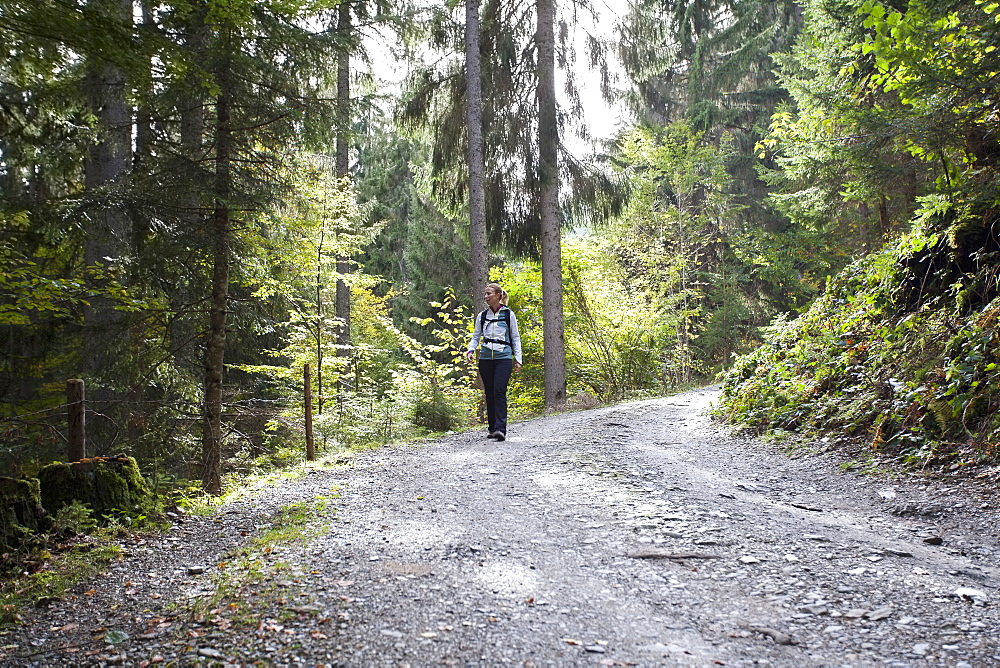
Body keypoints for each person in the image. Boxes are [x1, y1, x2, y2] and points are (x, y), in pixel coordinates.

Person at [466, 283, 522, 442]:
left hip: (503, 358)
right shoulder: (482, 316)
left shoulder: (508, 314)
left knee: (499, 391)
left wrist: (518, 359)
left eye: (488, 294)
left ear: (498, 295)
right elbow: (476, 336)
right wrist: (470, 350)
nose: (486, 297)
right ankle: (492, 429)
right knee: (489, 392)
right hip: (485, 359)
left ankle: (500, 429)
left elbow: (515, 338)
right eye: (485, 294)